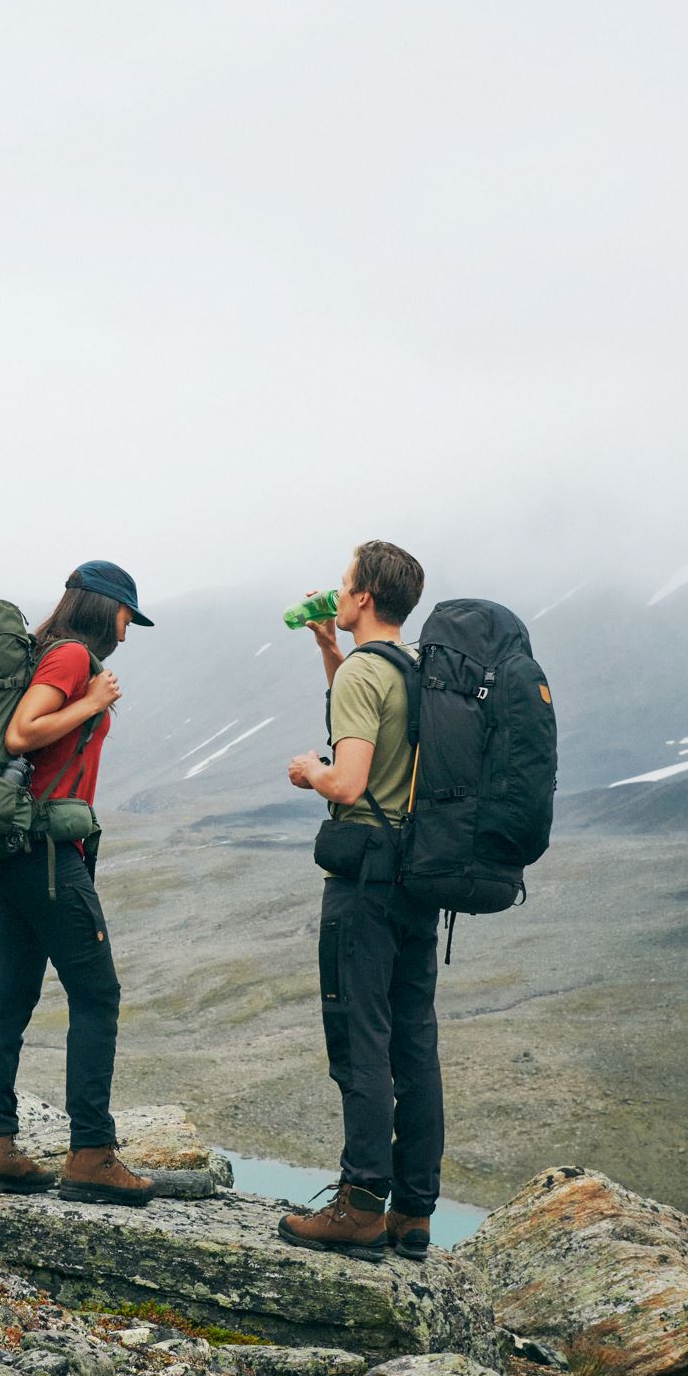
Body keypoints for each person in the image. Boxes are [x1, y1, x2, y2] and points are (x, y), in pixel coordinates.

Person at [0, 560, 158, 1207]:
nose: (129, 632)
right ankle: (93, 1154)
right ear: (107, 607)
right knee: (98, 994)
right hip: (47, 852)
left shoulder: (50, 649)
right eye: (129, 616)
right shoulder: (72, 657)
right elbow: (23, 732)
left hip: (13, 853)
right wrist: (91, 704)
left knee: (11, 998)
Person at [279, 540, 442, 1260]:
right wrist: (327, 653)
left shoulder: (365, 676)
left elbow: (348, 784)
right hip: (418, 876)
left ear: (365, 598)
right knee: (414, 1040)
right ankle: (412, 1212)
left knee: (361, 1039)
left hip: (365, 880)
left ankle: (359, 1206)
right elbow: (378, 722)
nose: (337, 596)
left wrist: (309, 770)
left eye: (344, 587)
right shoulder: (417, 670)